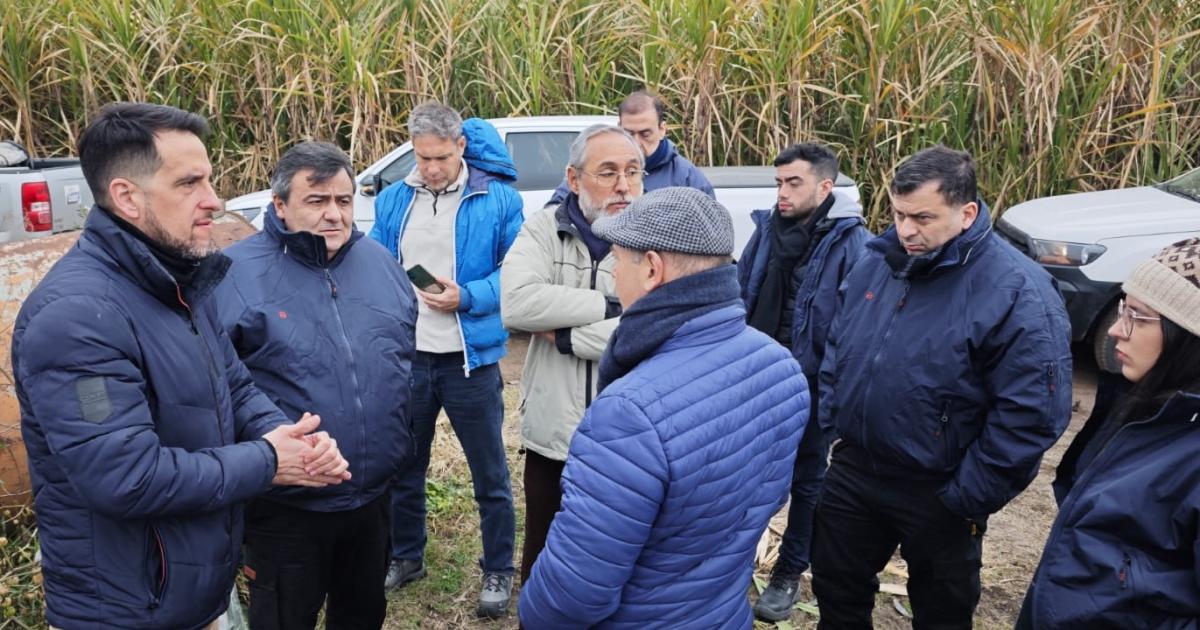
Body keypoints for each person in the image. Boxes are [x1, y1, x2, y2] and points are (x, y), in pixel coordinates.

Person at [12, 102, 349, 630]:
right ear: (128, 197)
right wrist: (268, 460)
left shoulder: (180, 284)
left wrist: (288, 436)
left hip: (193, 593)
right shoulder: (76, 319)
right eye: (190, 183)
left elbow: (232, 385)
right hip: (126, 610)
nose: (213, 201)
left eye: (209, 180)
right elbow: (125, 476)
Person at [518, 187, 810, 628]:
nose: (616, 275)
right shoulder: (780, 369)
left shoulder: (629, 414)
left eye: (619, 260)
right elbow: (761, 504)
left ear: (652, 268)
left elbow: (572, 594)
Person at [810, 145, 1073, 629]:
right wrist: (835, 422)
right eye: (898, 214)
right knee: (834, 588)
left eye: (923, 218)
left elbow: (1032, 414)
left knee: (941, 610)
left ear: (967, 212)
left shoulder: (1018, 291)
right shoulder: (878, 262)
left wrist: (966, 496)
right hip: (856, 469)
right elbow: (839, 345)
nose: (906, 230)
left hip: (940, 488)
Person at [216, 142, 417, 629]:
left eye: (344, 201)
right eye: (317, 200)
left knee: (362, 614)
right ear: (280, 204)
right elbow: (219, 387)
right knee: (285, 617)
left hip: (371, 498)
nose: (334, 214)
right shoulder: (233, 276)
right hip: (287, 506)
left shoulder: (379, 263)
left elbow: (401, 356)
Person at [369, 102, 523, 617]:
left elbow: (518, 272)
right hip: (408, 358)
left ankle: (498, 568)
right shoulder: (395, 199)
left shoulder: (497, 200)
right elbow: (375, 262)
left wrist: (470, 295)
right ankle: (406, 555)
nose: (430, 168)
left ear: (461, 146)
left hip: (469, 359)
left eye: (440, 156)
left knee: (491, 475)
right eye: (422, 157)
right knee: (404, 467)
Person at [1017, 238, 1200, 629]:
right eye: (1123, 308)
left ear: (1188, 336)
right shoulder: (1143, 405)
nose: (1117, 329)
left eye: (1138, 315)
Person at [500, 124, 643, 583]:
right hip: (552, 431)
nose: (623, 185)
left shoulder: (656, 237)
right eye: (608, 172)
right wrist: (613, 305)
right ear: (574, 178)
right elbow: (518, 304)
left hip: (630, 435)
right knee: (542, 555)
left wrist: (564, 336)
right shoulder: (544, 227)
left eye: (633, 171)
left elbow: (653, 327)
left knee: (618, 560)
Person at [737, 143, 871, 621]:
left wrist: (831, 388)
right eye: (778, 183)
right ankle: (732, 566)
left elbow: (855, 326)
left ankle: (789, 571)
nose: (783, 192)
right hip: (758, 375)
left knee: (808, 481)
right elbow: (743, 290)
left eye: (793, 183)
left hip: (813, 384)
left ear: (825, 186)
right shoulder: (766, 230)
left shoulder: (852, 243)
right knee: (748, 473)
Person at [545, 90, 713, 207]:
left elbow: (712, 234)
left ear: (662, 129)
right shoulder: (595, 165)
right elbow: (555, 210)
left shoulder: (686, 178)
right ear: (619, 127)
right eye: (628, 133)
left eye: (645, 133)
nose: (636, 142)